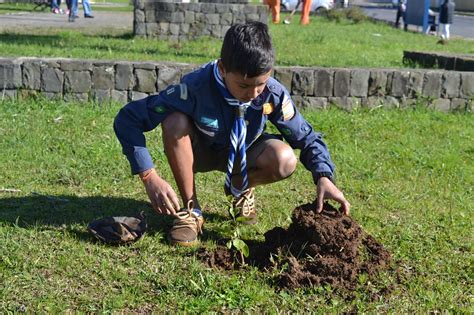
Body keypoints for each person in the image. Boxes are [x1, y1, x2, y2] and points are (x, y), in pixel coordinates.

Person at [114, 21, 350, 247]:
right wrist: (149, 176)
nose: (254, 93)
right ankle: (191, 210)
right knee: (174, 121)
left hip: (244, 154)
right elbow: (129, 119)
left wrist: (324, 176)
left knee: (284, 159)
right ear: (222, 68)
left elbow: (307, 137)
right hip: (201, 152)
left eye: (261, 83)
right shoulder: (194, 88)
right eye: (244, 86)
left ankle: (239, 187)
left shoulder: (272, 94)